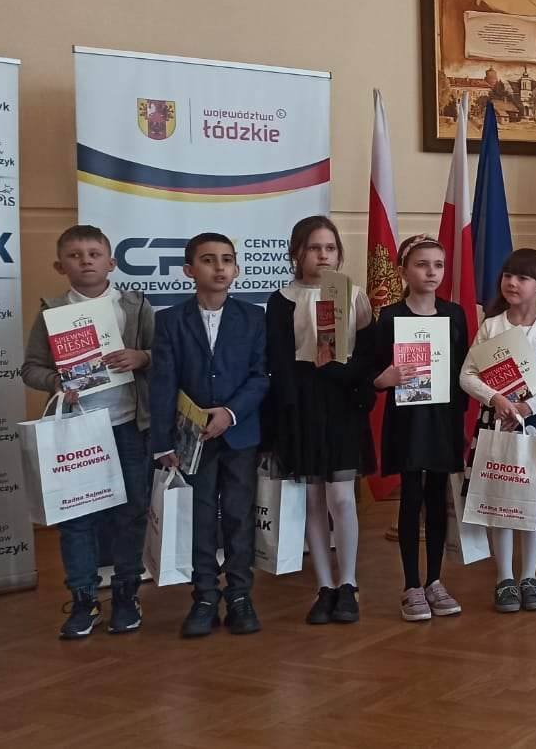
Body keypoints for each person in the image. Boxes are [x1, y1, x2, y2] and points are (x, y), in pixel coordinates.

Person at [20, 224, 155, 638]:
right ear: (60, 266)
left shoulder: (135, 305)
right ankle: (83, 599)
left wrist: (142, 357)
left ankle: (127, 594)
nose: (86, 262)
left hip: (129, 426)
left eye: (94, 254)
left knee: (130, 514)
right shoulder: (51, 311)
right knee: (77, 517)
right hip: (77, 430)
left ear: (111, 262)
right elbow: (31, 368)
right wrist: (56, 382)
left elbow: (165, 356)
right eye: (75, 256)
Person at [149, 233, 269, 637]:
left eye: (227, 260)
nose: (219, 267)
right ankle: (203, 595)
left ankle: (239, 595)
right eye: (208, 260)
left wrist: (230, 413)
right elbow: (163, 383)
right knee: (199, 516)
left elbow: (261, 376)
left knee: (238, 515)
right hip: (192, 439)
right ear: (189, 270)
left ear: (236, 269)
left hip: (239, 433)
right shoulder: (169, 320)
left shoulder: (253, 317)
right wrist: (162, 442)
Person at [265, 216, 375, 625]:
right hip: (302, 405)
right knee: (313, 498)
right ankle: (324, 585)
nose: (323, 255)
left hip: (342, 403)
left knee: (342, 498)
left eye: (330, 248)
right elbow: (278, 362)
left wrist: (343, 373)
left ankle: (348, 583)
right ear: (297, 253)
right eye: (314, 248)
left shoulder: (353, 295)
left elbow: (368, 356)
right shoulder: (281, 300)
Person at [356, 235, 470, 622]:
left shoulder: (454, 315)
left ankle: (435, 579)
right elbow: (371, 371)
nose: (431, 272)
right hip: (408, 421)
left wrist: (461, 422)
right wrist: (384, 379)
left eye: (438, 265)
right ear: (404, 271)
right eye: (422, 265)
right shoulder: (389, 317)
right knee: (411, 498)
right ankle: (411, 585)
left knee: (438, 497)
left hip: (443, 419)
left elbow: (462, 371)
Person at [460, 247, 536, 614]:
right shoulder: (492, 325)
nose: (512, 282)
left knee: (531, 501)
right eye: (508, 275)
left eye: (522, 277)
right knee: (501, 497)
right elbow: (467, 375)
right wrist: (496, 399)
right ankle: (504, 577)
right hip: (496, 421)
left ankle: (529, 576)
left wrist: (526, 407)